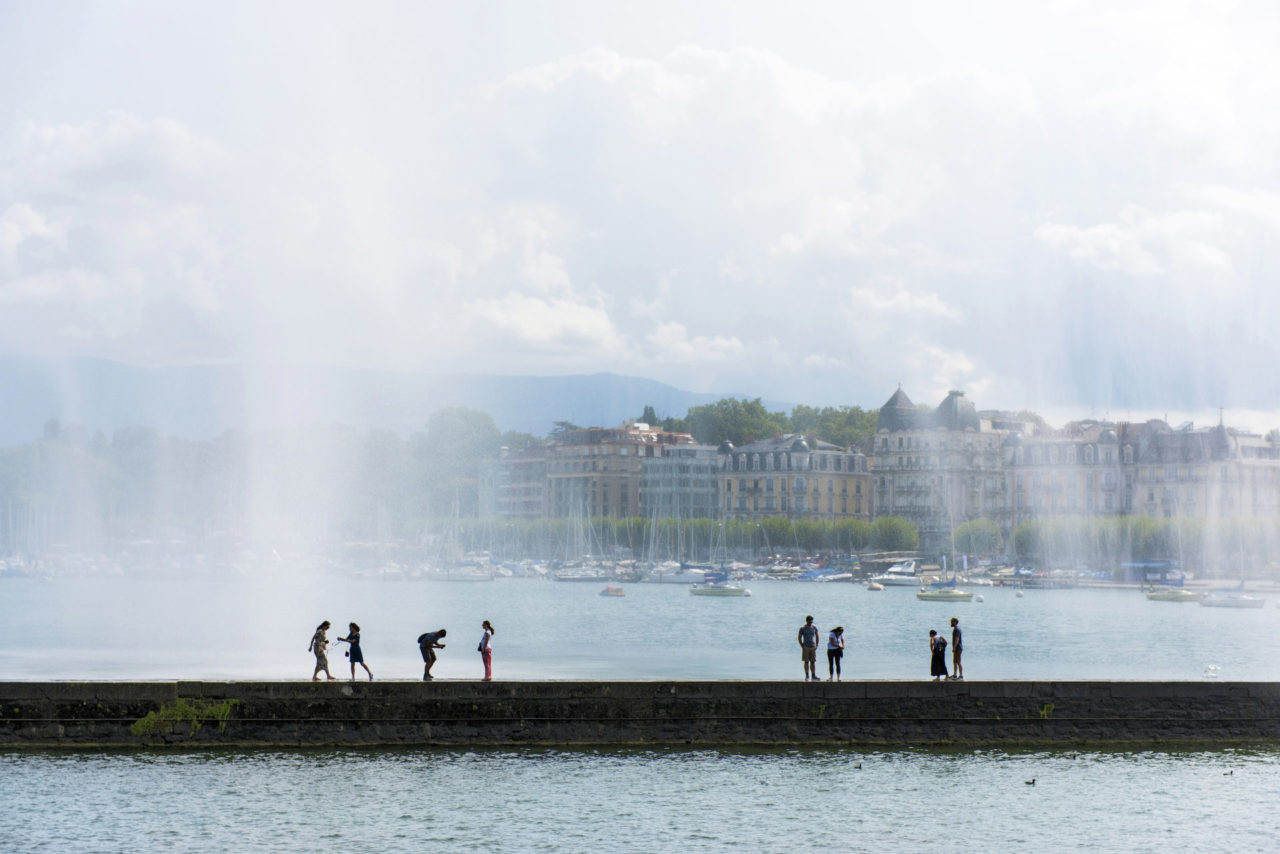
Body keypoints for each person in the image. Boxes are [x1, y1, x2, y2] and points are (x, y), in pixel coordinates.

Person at [798, 615, 820, 681]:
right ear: (806, 621)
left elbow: (817, 636)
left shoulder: (814, 628)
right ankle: (807, 675)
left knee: (813, 661)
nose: (811, 623)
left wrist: (817, 645)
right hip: (806, 647)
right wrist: (802, 645)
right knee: (806, 661)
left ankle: (813, 675)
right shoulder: (802, 628)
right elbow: (799, 637)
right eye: (809, 621)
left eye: (811, 621)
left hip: (813, 647)